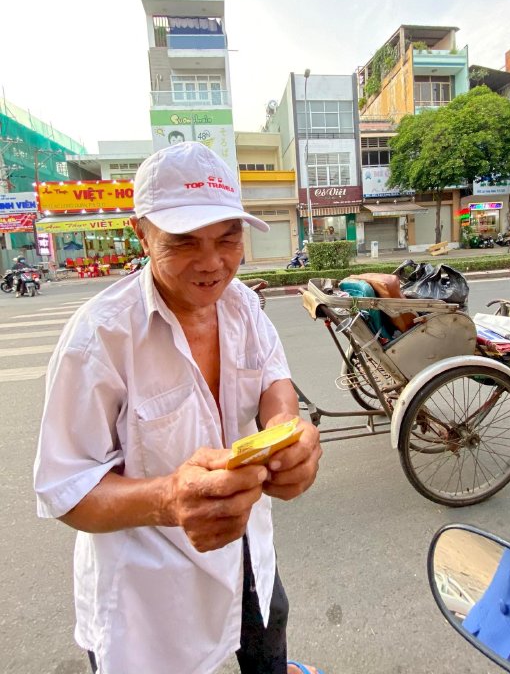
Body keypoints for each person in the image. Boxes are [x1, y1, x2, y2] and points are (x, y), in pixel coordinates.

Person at [34, 142, 323, 674]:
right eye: (184, 241)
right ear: (142, 232)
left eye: (228, 238)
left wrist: (286, 426)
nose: (212, 263)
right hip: (148, 599)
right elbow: (64, 489)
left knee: (268, 651)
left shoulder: (244, 306)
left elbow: (273, 378)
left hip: (247, 555)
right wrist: (169, 498)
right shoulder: (99, 338)